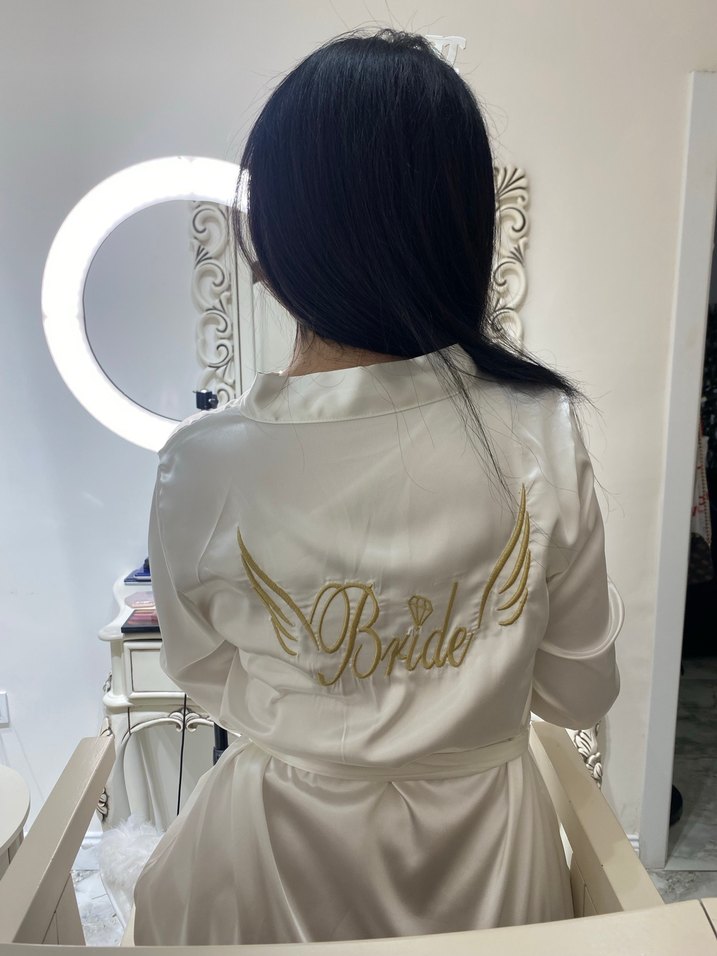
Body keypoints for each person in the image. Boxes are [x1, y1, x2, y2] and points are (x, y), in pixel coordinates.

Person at [133, 28, 620, 945]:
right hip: (486, 862)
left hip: (276, 855)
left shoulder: (204, 463)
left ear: (274, 243)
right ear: (461, 232)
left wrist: (326, 716)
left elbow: (200, 670)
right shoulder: (540, 430)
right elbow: (577, 695)